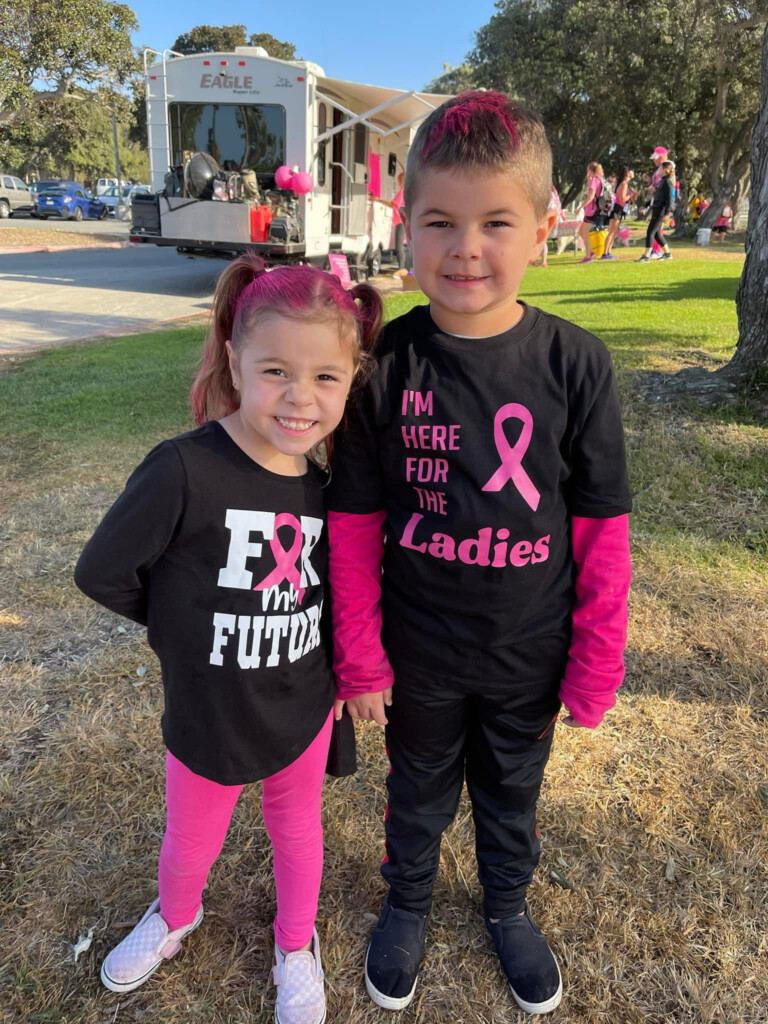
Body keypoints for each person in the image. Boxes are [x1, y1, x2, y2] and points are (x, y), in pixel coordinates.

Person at [328, 90, 632, 1016]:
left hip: (527, 656)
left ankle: (506, 905)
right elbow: (352, 528)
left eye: (496, 222)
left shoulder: (579, 366)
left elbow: (602, 531)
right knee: (415, 793)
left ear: (546, 228)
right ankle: (408, 902)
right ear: (405, 229)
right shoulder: (384, 362)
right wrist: (361, 659)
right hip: (419, 654)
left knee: (511, 793)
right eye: (441, 223)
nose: (466, 248)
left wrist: (595, 662)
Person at [74, 256, 382, 1024]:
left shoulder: (327, 488)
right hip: (208, 712)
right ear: (235, 362)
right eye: (276, 370)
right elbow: (103, 571)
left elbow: (335, 591)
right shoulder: (183, 469)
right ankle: (175, 917)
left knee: (297, 834)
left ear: (350, 381)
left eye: (325, 378)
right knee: (189, 843)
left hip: (301, 712)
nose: (299, 398)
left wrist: (343, 678)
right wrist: (179, 626)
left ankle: (295, 946)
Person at [636, 160, 675, 262]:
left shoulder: (667, 183)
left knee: (650, 232)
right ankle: (667, 254)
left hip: (660, 211)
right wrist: (645, 205)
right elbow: (656, 198)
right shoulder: (660, 182)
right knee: (657, 234)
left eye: (660, 168)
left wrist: (667, 213)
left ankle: (646, 256)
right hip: (656, 209)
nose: (658, 170)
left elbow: (670, 200)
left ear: (665, 170)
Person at [574, 162, 609, 264]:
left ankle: (588, 256)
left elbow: (591, 197)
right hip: (596, 210)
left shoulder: (593, 180)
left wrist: (581, 206)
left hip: (591, 210)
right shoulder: (600, 179)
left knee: (584, 233)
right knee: (581, 231)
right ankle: (591, 251)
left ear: (589, 170)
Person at [602, 167, 635, 259]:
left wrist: (632, 197)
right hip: (617, 209)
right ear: (626, 174)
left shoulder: (623, 184)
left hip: (619, 210)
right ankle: (605, 253)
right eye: (630, 173)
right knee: (611, 232)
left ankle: (608, 252)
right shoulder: (624, 184)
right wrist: (631, 195)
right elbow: (622, 198)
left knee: (613, 232)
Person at [529, 185, 563, 267]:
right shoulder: (554, 193)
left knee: (540, 238)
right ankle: (540, 260)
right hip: (553, 219)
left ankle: (540, 261)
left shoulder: (547, 195)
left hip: (546, 218)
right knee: (541, 239)